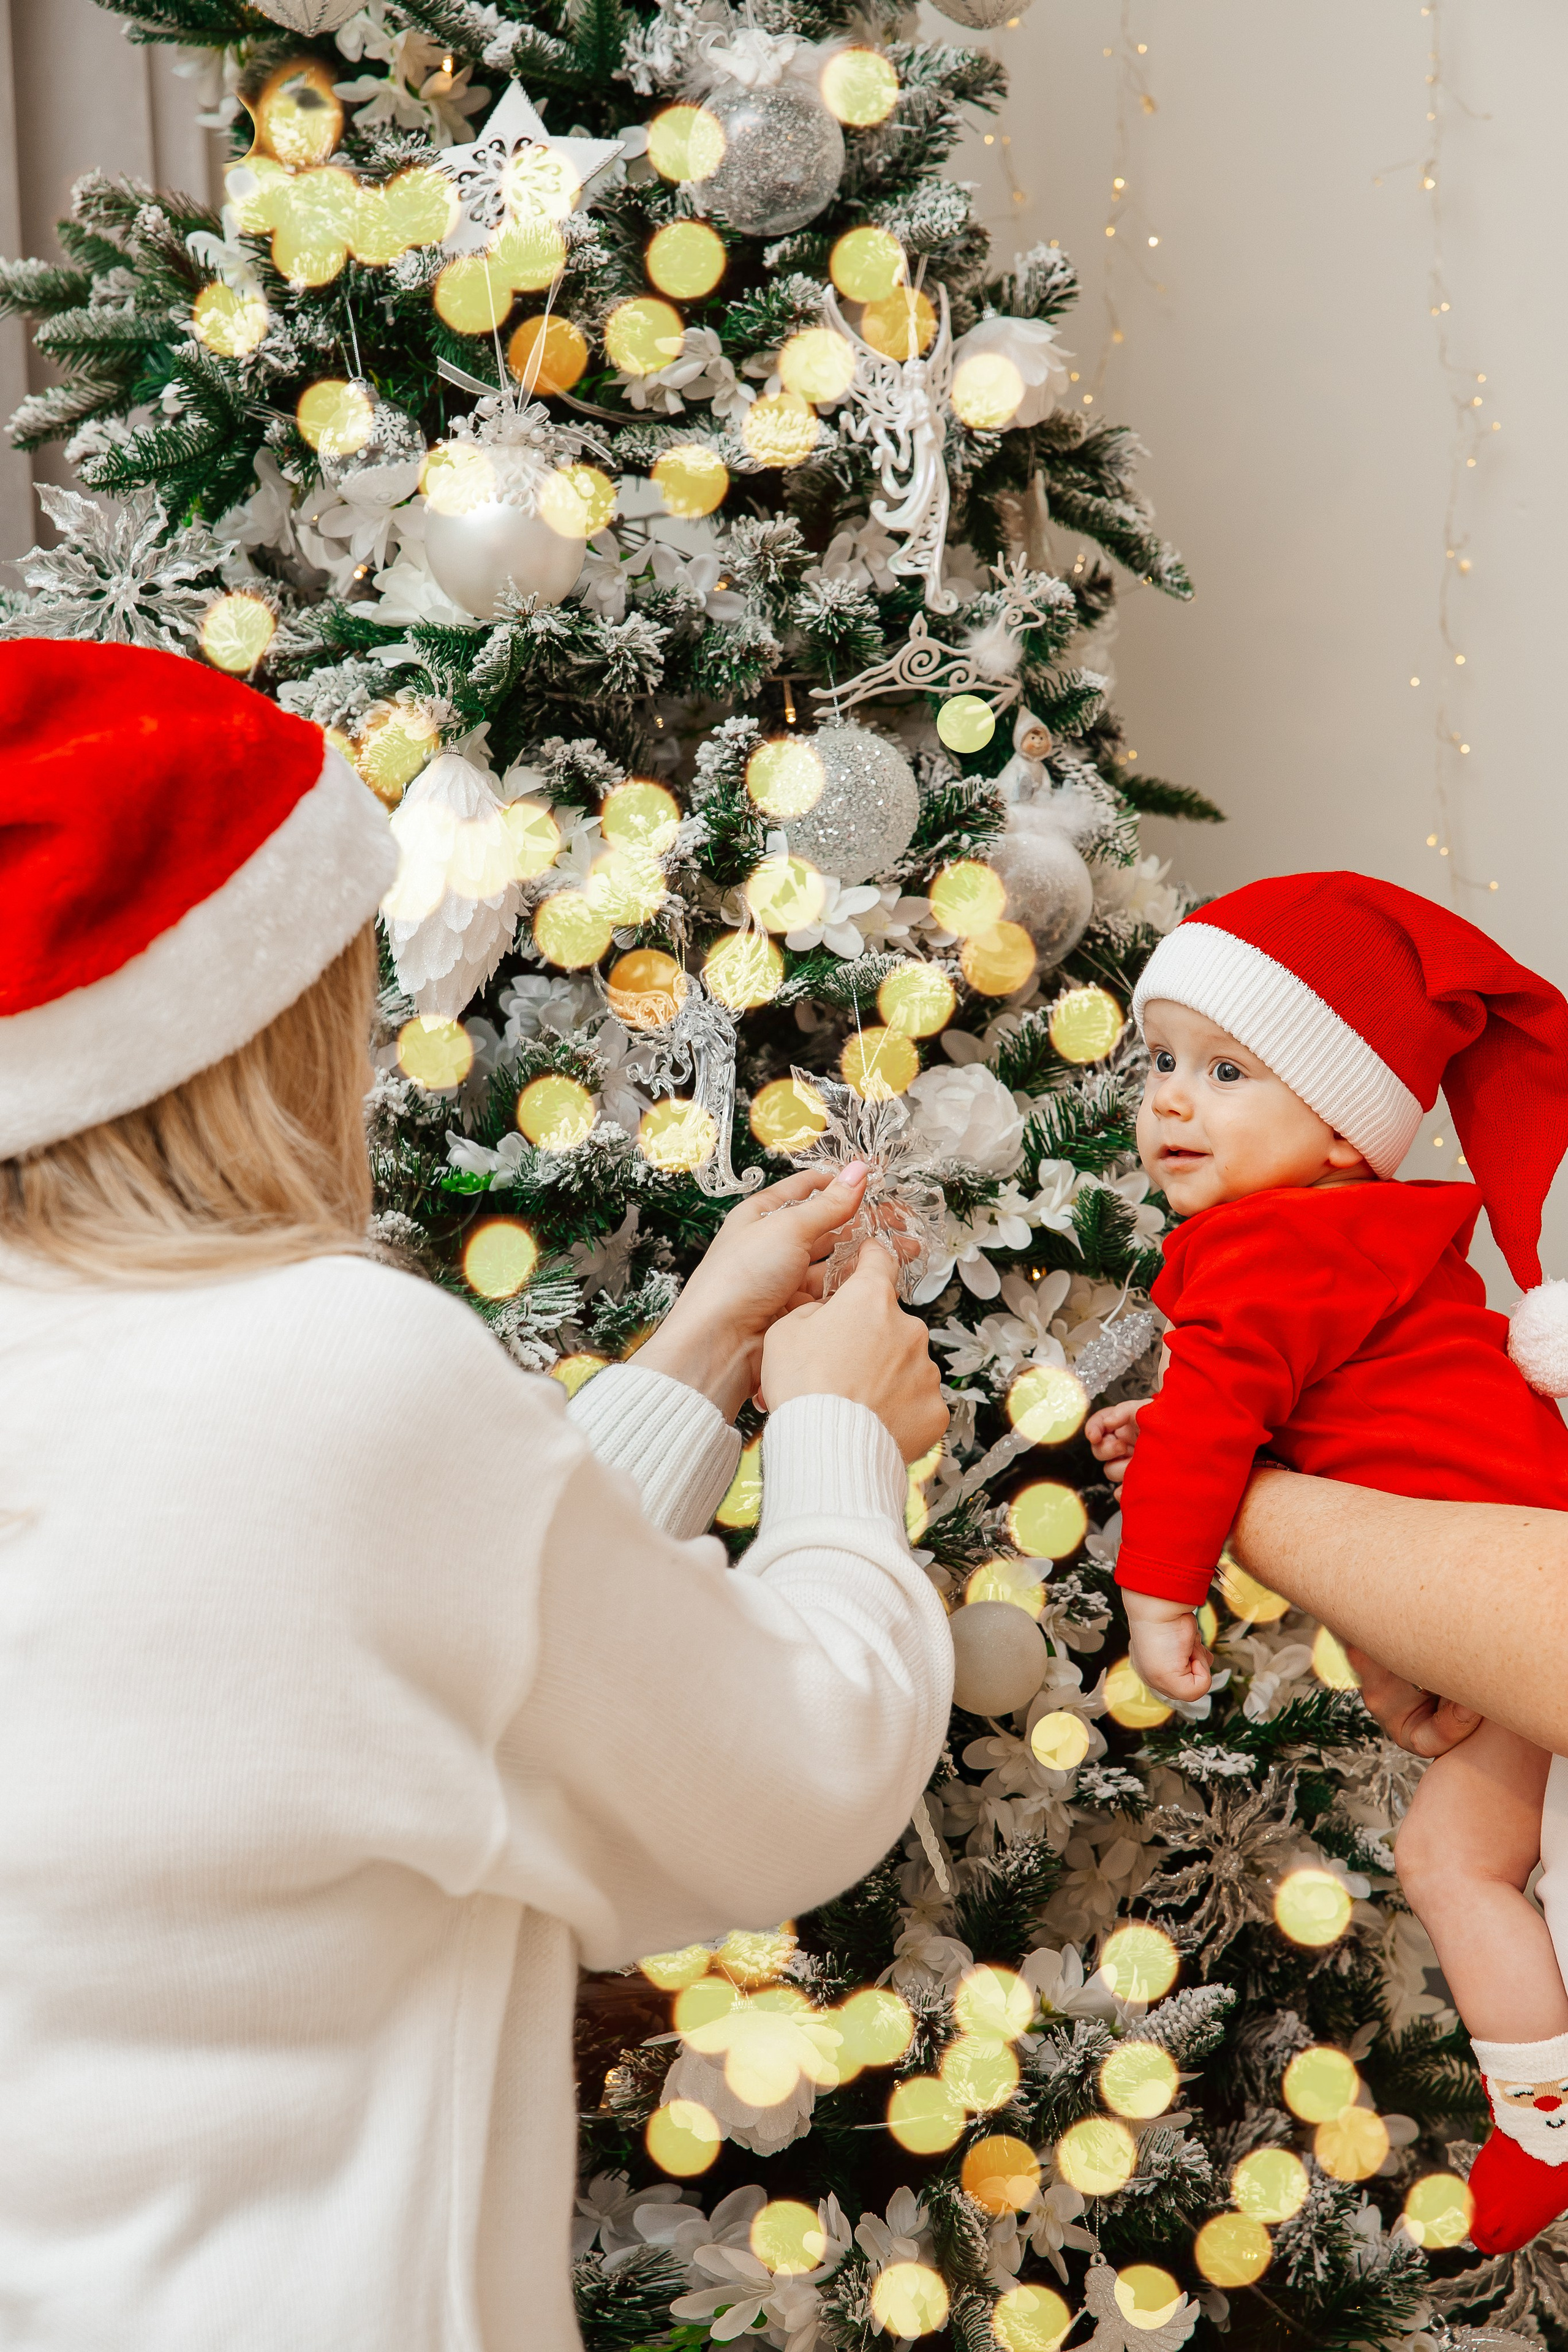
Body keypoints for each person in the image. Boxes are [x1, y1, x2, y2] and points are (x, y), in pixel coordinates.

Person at [0, 640, 951, 2352]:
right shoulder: (326, 1374)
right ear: (251, 1020)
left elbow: (363, 1666)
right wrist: (839, 1439)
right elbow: (793, 1776)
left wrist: (700, 1353)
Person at [1082, 871, 1568, 2252]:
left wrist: (1156, 1589)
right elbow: (1333, 1425)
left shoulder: (1257, 1254)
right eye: (1160, 1061)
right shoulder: (1350, 1246)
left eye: (1227, 1069)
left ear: (1348, 1132)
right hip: (1507, 1552)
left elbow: (1234, 1420)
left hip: (1516, 1577)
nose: (1171, 1097)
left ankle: (1541, 2126)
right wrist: (1191, 1429)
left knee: (1449, 1862)